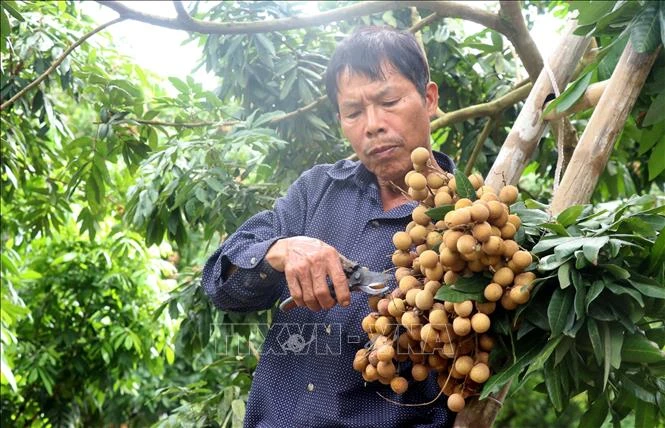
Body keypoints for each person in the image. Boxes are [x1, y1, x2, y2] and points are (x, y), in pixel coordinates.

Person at [202, 26, 455, 428]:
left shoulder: (469, 230)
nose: (372, 125)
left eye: (389, 101)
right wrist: (278, 252)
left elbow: (467, 377)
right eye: (353, 112)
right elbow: (220, 282)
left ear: (429, 99)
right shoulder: (316, 190)